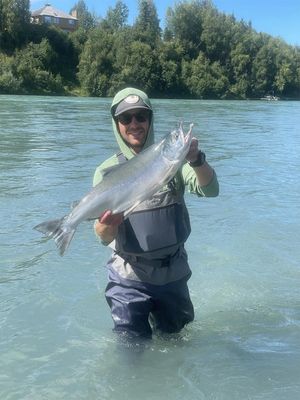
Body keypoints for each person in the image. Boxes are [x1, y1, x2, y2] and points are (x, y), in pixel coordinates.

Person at [93, 87, 219, 340]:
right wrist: (110, 225)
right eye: (126, 118)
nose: (134, 124)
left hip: (173, 274)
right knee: (130, 352)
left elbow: (211, 190)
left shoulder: (174, 162)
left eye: (141, 116)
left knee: (177, 347)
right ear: (116, 124)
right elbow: (102, 237)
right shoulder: (105, 171)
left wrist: (197, 160)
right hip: (128, 277)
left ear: (150, 119)